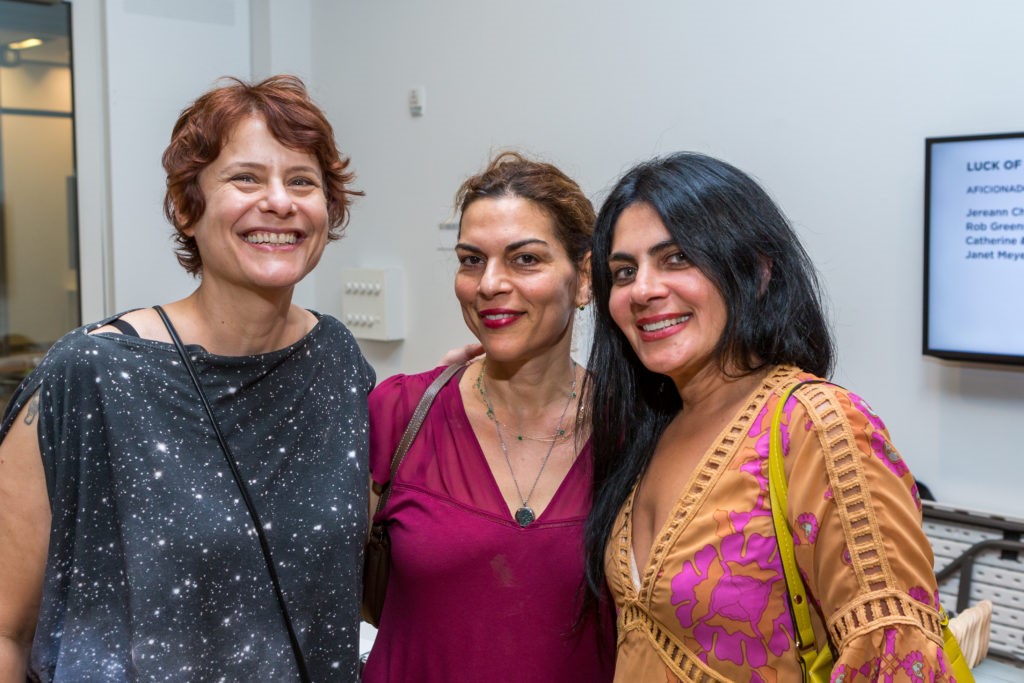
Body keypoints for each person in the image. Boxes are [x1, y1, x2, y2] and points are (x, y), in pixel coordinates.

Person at [0, 75, 375, 681]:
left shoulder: (337, 359)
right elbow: (4, 629)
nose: (279, 201)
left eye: (302, 180)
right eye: (245, 177)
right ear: (185, 206)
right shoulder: (90, 374)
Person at [583, 152, 958, 681]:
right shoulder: (654, 428)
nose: (643, 289)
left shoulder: (817, 424)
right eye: (625, 271)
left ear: (757, 271)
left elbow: (897, 658)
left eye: (676, 259)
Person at [362, 151, 614, 682]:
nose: (489, 284)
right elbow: (325, 588)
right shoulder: (398, 413)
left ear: (585, 277)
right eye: (471, 259)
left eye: (525, 259)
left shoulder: (633, 431)